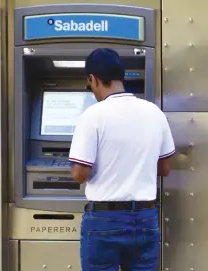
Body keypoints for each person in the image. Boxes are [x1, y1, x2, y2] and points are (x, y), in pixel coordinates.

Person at [68, 48, 175, 271]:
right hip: (145, 218)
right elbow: (165, 168)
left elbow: (80, 174)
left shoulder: (92, 116)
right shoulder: (154, 112)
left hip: (104, 220)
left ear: (93, 79)